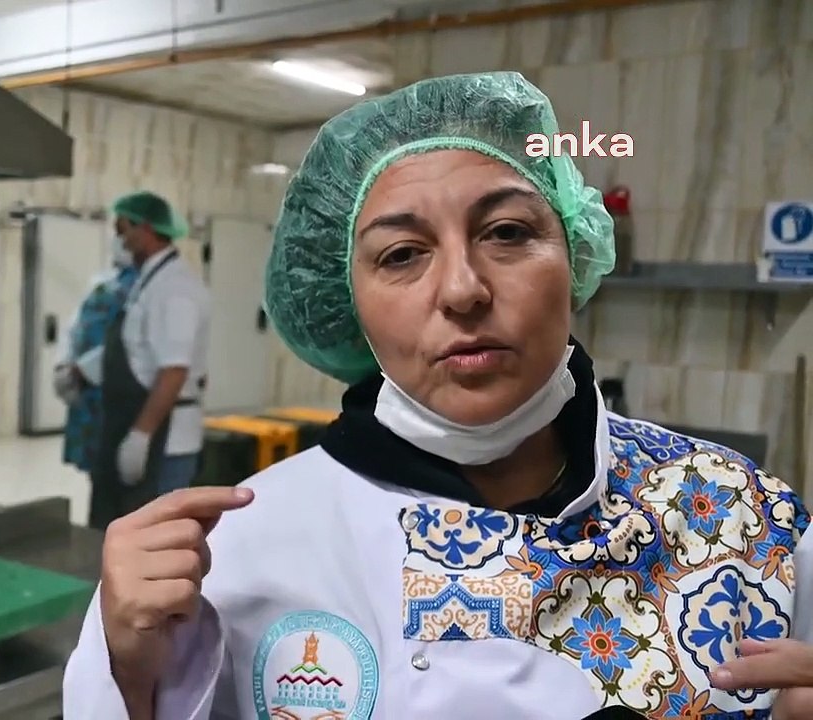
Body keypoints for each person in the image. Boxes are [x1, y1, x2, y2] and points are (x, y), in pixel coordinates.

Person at [61, 72, 811, 718]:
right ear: (344, 296)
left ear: (576, 250)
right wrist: (129, 667)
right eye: (402, 254)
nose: (462, 289)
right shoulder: (238, 555)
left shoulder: (749, 522)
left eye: (509, 232)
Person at [85, 191, 210, 532]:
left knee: (155, 541)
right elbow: (138, 350)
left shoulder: (176, 288)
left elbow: (173, 370)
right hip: (135, 420)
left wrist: (141, 436)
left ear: (147, 228)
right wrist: (84, 371)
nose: (121, 240)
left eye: (124, 229)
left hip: (164, 441)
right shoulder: (150, 281)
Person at [53, 236, 141, 475]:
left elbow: (129, 340)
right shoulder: (102, 282)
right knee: (93, 465)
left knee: (112, 466)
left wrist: (84, 369)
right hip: (83, 389)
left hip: (113, 387)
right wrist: (64, 363)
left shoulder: (145, 286)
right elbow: (75, 326)